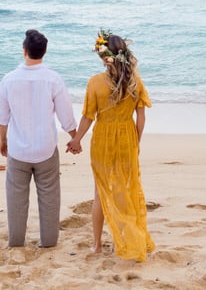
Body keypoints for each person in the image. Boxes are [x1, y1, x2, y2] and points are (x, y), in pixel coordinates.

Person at [67, 29, 155, 262]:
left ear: (103, 56)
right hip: (127, 136)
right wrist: (136, 143)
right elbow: (141, 118)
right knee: (126, 189)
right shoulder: (135, 81)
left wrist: (76, 140)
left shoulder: (95, 83)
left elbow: (88, 117)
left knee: (100, 192)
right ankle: (127, 239)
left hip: (103, 138)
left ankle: (96, 245)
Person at [0, 29, 77, 248]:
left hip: (18, 150)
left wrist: (3, 140)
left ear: (24, 51)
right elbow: (65, 115)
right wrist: (74, 137)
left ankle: (16, 241)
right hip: (46, 149)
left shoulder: (9, 80)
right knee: (49, 197)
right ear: (45, 51)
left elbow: (2, 118)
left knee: (16, 198)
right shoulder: (53, 79)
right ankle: (49, 242)